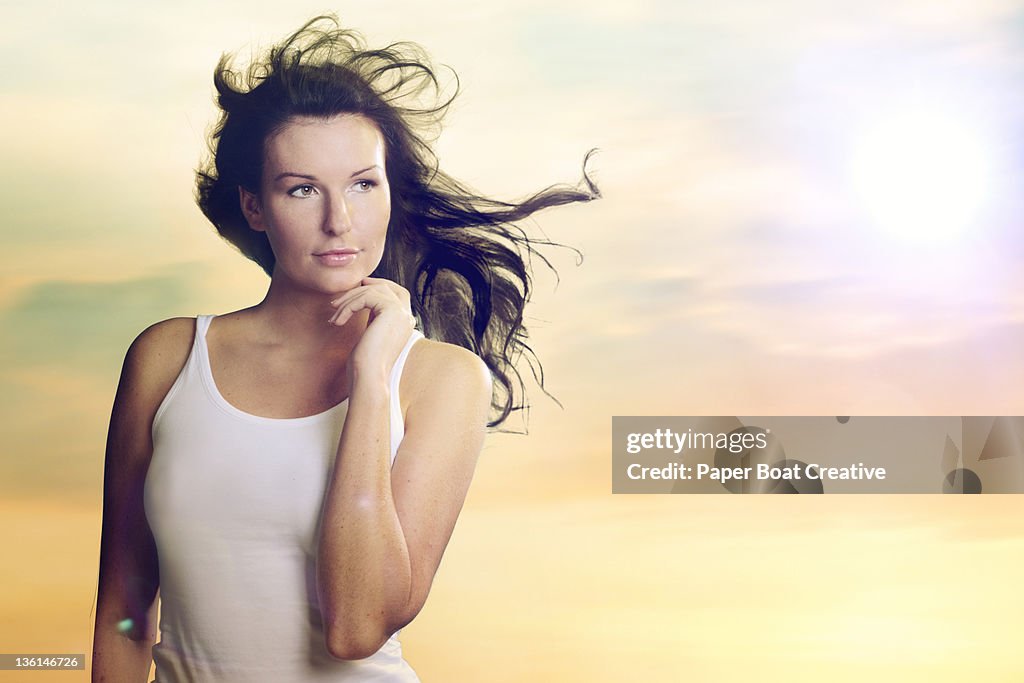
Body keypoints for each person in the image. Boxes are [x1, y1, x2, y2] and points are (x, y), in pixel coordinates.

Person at [91, 15, 597, 682]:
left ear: (391, 192)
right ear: (254, 206)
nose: (341, 220)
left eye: (363, 183)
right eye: (302, 188)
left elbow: (357, 624)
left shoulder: (441, 380)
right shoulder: (167, 358)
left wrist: (372, 376)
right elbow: (122, 614)